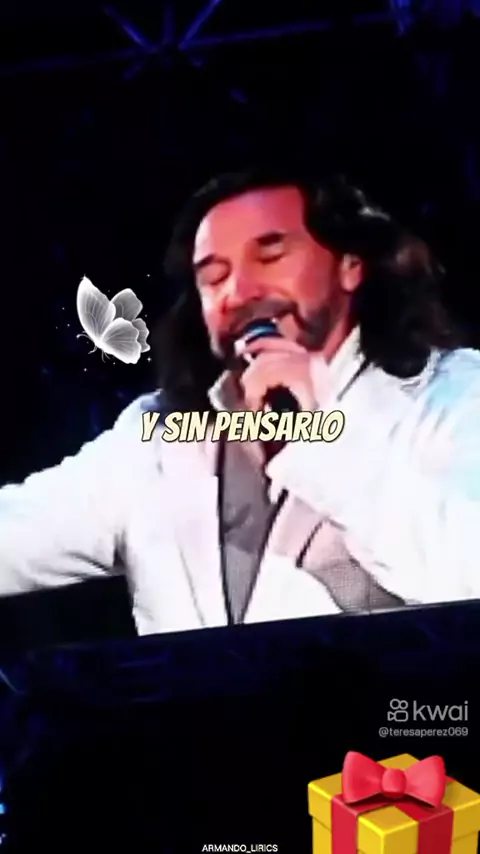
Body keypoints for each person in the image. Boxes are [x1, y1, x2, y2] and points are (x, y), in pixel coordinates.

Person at [1, 163, 480, 635]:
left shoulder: (452, 394)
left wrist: (320, 439)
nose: (239, 292)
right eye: (214, 277)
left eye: (270, 257)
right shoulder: (161, 435)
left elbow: (467, 571)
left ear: (350, 266)